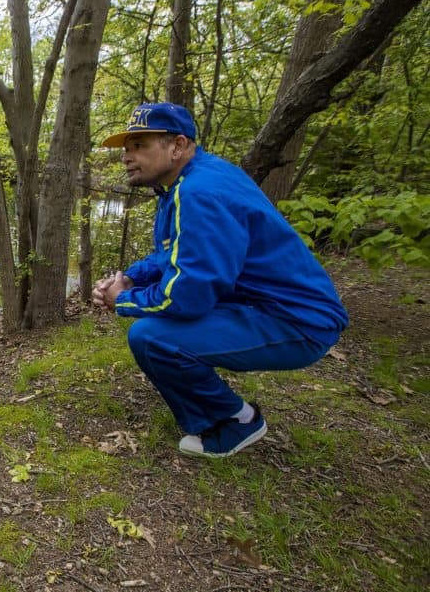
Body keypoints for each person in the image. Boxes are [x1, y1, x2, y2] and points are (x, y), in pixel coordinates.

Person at [92, 102, 348, 458]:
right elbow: (173, 256)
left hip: (297, 321)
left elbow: (189, 296)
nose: (126, 157)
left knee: (153, 338)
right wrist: (131, 277)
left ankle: (236, 422)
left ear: (177, 146)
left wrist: (123, 300)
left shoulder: (199, 192)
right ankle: (215, 407)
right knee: (157, 331)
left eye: (140, 145)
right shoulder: (188, 183)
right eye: (126, 148)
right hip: (266, 306)